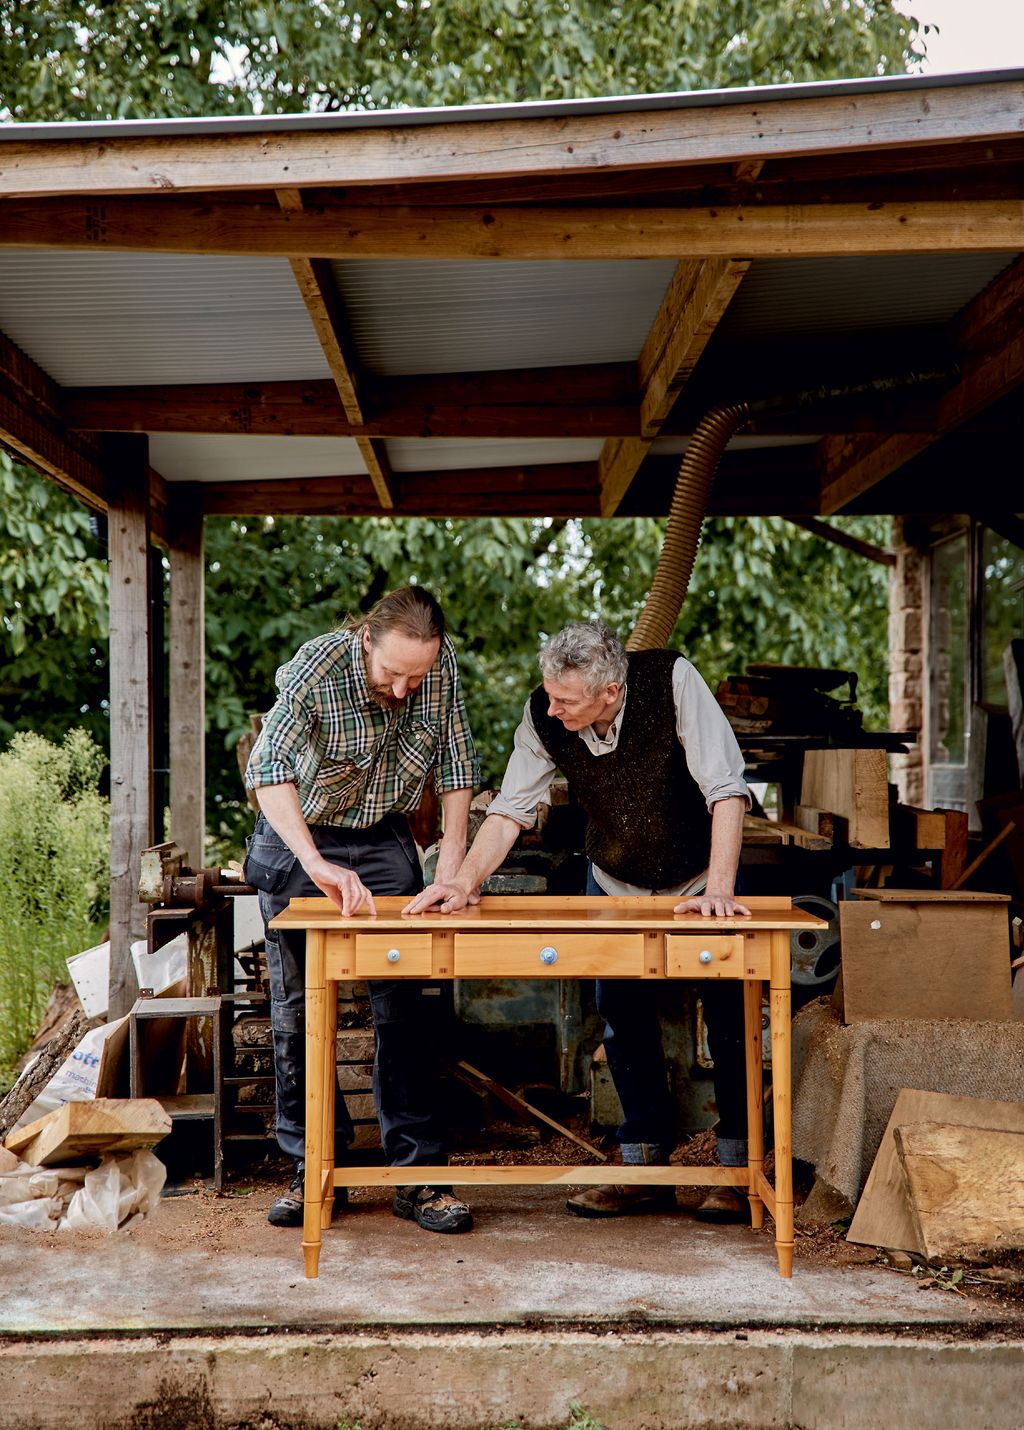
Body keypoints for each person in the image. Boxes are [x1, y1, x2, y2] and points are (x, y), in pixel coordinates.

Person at [405, 620, 752, 1220]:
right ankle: (645, 1166)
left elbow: (725, 789)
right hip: (614, 878)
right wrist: (462, 882)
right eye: (549, 693)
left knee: (728, 1017)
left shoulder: (672, 682)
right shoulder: (545, 715)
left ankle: (737, 1170)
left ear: (610, 693)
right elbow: (511, 809)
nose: (552, 706)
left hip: (698, 876)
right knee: (619, 1012)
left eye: (566, 699)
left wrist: (719, 889)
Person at [243, 585, 479, 1234]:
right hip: (300, 837)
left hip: (381, 839)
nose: (405, 690)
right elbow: (267, 769)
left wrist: (453, 869)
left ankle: (418, 1177)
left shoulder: (439, 665)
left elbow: (458, 765)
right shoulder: (316, 667)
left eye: (418, 676)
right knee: (298, 1012)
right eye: (392, 674)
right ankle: (313, 1167)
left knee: (405, 1006)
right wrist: (315, 864)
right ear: (365, 640)